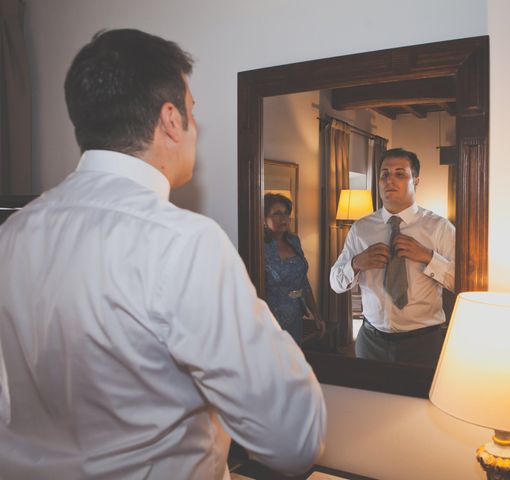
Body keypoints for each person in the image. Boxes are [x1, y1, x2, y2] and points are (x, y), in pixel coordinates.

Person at [0, 29, 325, 480]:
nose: (195, 127)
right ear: (171, 119)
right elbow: (293, 440)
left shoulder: (12, 233)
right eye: (193, 112)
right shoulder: (184, 242)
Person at [330, 148, 455, 367]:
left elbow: (462, 282)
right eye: (384, 174)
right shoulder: (361, 229)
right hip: (371, 342)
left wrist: (427, 256)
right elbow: (335, 283)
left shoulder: (440, 228)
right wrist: (356, 263)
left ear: (415, 182)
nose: (390, 180)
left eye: (400, 173)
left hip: (424, 344)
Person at [264, 193, 325, 344]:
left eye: (286, 213)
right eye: (277, 213)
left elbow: (303, 282)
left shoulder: (294, 241)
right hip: (270, 322)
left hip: (295, 318)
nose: (284, 218)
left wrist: (316, 314)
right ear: (263, 218)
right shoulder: (259, 247)